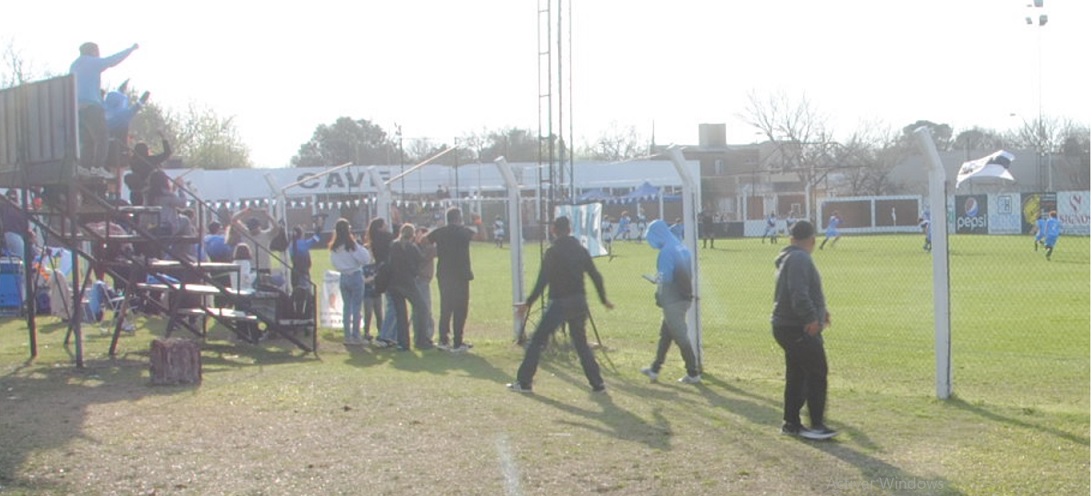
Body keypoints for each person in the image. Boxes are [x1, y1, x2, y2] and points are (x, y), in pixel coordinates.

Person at [508, 216, 614, 394]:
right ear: (570, 230)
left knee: (537, 341)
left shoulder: (553, 252)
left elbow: (542, 281)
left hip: (560, 302)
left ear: (553, 230)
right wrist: (603, 299)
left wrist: (528, 303)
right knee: (581, 343)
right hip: (579, 301)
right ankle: (598, 384)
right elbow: (596, 276)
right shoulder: (581, 250)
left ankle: (524, 382)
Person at [771, 221, 837, 440]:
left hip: (786, 325)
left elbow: (803, 291)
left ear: (792, 239)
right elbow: (798, 293)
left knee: (797, 373)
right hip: (796, 326)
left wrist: (821, 311)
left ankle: (791, 423)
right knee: (817, 371)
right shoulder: (800, 258)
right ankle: (816, 425)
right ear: (813, 240)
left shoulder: (789, 257)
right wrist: (811, 318)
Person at [640, 220, 701, 385]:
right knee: (665, 335)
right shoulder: (680, 247)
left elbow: (664, 278)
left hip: (674, 299)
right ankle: (654, 369)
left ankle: (693, 373)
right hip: (684, 295)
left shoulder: (666, 251)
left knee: (681, 337)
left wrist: (658, 294)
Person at [70, 41, 139, 174]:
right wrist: (130, 49)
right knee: (102, 137)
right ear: (93, 51)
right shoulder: (92, 62)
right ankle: (97, 167)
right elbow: (112, 60)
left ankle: (84, 168)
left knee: (87, 141)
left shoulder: (74, 65)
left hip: (77, 108)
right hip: (91, 105)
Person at [428, 207, 475, 352]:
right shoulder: (463, 232)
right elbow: (483, 237)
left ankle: (443, 339)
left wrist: (436, 252)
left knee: (446, 307)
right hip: (461, 274)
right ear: (459, 218)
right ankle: (458, 341)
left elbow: (423, 240)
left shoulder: (440, 232)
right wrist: (478, 221)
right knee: (460, 308)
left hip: (444, 274)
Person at [388, 224, 430, 351]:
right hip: (408, 283)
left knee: (401, 314)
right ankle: (421, 340)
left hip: (394, 283)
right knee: (422, 309)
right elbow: (421, 260)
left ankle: (403, 343)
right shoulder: (412, 247)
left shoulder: (394, 245)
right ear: (412, 235)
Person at [329, 218, 370, 345]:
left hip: (343, 276)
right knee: (356, 307)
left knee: (347, 307)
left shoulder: (334, 247)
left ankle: (347, 336)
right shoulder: (352, 245)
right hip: (355, 275)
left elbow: (334, 262)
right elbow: (365, 259)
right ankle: (356, 336)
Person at [366, 217, 397, 348]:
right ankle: (384, 335)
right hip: (390, 274)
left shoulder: (374, 241)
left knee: (392, 305)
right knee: (393, 306)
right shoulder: (387, 238)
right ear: (380, 227)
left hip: (382, 274)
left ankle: (391, 336)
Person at [124, 132, 172, 206]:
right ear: (146, 150)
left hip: (136, 191)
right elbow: (167, 153)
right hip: (151, 190)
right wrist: (164, 138)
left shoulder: (133, 162)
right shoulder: (152, 160)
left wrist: (128, 141)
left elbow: (127, 152)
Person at [415, 226, 437, 346]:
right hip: (422, 280)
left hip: (420, 280)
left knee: (419, 309)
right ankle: (426, 336)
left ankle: (420, 336)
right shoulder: (428, 249)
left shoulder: (417, 248)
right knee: (425, 309)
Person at [288, 223, 321, 289]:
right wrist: (319, 229)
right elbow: (316, 239)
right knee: (306, 291)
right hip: (304, 272)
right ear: (301, 234)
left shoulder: (291, 245)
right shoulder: (304, 244)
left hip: (294, 273)